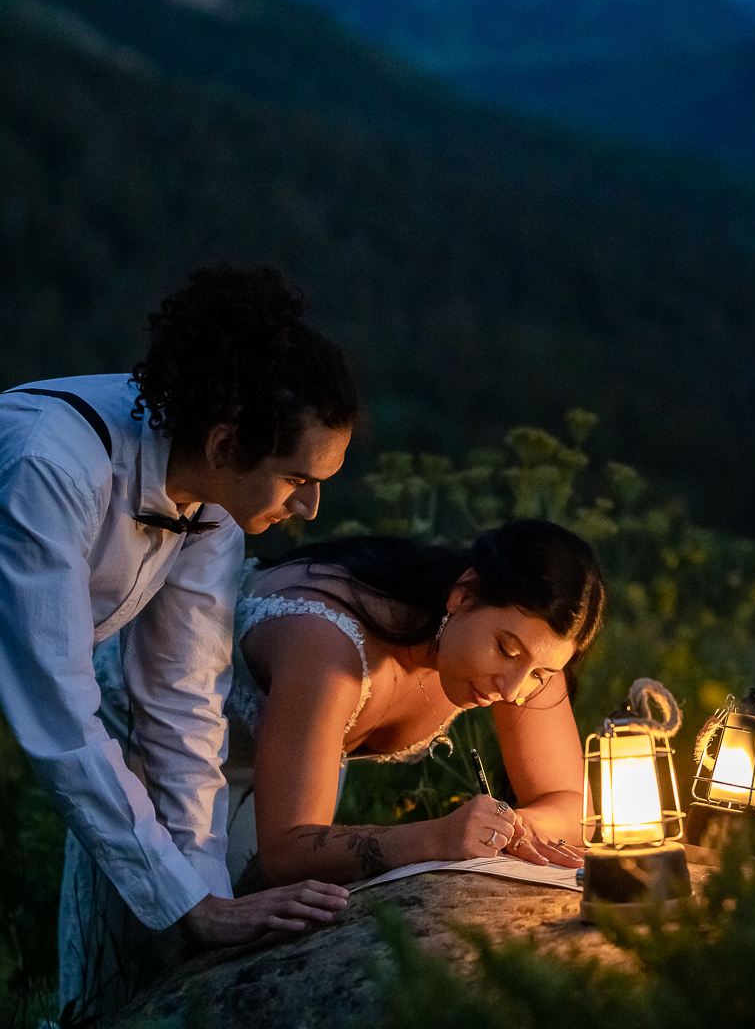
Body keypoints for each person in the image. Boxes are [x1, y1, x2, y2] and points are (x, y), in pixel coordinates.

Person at [0, 265, 356, 1017]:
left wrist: (210, 906)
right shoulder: (51, 465)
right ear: (227, 440)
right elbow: (60, 716)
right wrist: (180, 900)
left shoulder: (214, 501)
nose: (311, 506)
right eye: (298, 477)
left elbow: (182, 701)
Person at [225, 519, 605, 887]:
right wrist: (434, 838)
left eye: (541, 673)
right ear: (464, 594)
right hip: (190, 766)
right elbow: (283, 854)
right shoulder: (328, 646)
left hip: (292, 796)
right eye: (506, 650)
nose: (512, 690)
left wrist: (513, 827)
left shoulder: (526, 656)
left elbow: (572, 806)